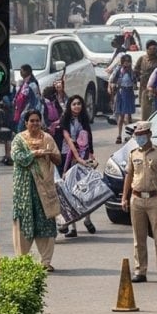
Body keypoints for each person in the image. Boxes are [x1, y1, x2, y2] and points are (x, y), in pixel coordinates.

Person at [120, 121, 157, 284]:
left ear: (149, 135)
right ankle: (140, 270)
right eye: (137, 136)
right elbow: (129, 176)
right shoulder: (133, 153)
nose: (140, 138)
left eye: (142, 135)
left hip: (155, 198)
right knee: (139, 238)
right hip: (137, 198)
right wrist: (124, 197)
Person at [11, 109, 62, 271]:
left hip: (44, 189)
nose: (35, 123)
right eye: (31, 121)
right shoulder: (19, 140)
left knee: (46, 223)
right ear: (26, 123)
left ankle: (46, 262)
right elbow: (18, 157)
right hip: (24, 190)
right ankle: (22, 262)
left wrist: (49, 154)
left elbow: (58, 159)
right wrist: (35, 153)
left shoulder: (47, 138)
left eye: (37, 120)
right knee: (23, 223)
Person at [56, 95, 98, 237]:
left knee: (86, 189)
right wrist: (78, 158)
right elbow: (69, 141)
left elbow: (89, 138)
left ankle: (87, 219)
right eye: (74, 104)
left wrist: (91, 156)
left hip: (83, 158)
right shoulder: (65, 120)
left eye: (79, 104)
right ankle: (73, 227)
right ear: (69, 106)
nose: (77, 106)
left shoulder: (84, 120)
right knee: (69, 191)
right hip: (67, 158)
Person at [134, 40, 157, 121]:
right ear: (147, 49)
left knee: (156, 112)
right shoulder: (142, 59)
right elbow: (135, 71)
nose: (154, 50)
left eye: (155, 48)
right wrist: (138, 77)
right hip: (144, 89)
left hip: (156, 90)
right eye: (151, 49)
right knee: (145, 113)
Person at [109, 54, 136, 144]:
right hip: (121, 92)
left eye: (128, 62)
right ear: (122, 62)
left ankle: (129, 135)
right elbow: (112, 79)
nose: (127, 63)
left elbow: (135, 81)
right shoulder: (119, 70)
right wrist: (113, 85)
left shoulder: (132, 71)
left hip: (129, 92)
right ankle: (119, 135)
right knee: (121, 115)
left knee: (129, 116)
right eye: (125, 61)